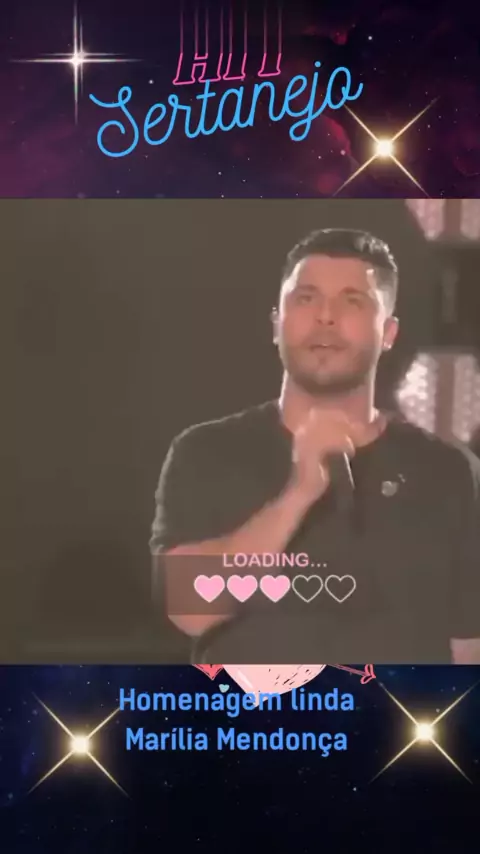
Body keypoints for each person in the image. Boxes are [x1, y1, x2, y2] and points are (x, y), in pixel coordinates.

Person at [150, 228, 480, 664]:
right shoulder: (206, 452)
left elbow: (469, 648)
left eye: (352, 301)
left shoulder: (447, 472)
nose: (325, 316)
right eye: (305, 298)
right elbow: (190, 611)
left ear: (388, 332)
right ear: (276, 323)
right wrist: (298, 493)